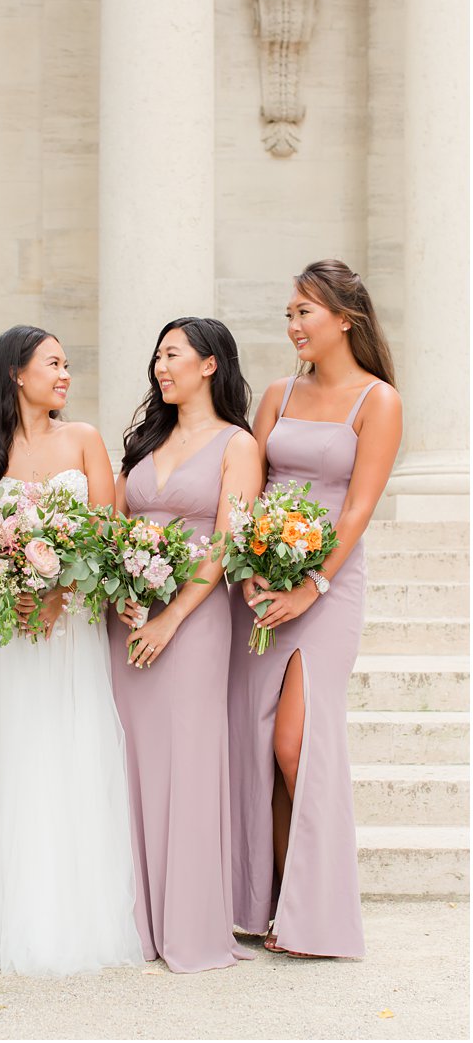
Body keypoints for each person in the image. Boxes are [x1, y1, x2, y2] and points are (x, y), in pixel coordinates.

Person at [0, 324, 144, 975]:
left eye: (66, 363)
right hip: (5, 635)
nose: (64, 374)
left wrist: (60, 590)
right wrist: (7, 584)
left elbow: (108, 532)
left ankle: (71, 916)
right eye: (52, 363)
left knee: (68, 754)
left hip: (71, 628)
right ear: (15, 372)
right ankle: (11, 914)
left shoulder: (84, 439)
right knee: (10, 759)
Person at [228, 260, 401, 959]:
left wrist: (313, 585)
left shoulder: (377, 400)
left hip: (328, 587)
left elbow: (358, 506)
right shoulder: (278, 392)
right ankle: (277, 907)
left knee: (296, 743)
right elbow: (249, 486)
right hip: (264, 583)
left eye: (306, 312)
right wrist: (247, 572)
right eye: (290, 313)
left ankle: (321, 911)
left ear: (345, 318)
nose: (294, 325)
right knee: (261, 744)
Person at [106, 317, 261, 972]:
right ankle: (135, 922)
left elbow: (227, 543)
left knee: (190, 760)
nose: (160, 366)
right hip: (129, 618)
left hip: (194, 623)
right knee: (129, 760)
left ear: (210, 365)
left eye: (173, 354)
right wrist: (120, 590)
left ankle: (191, 927)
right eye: (157, 356)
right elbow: (113, 523)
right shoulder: (146, 441)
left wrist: (172, 620)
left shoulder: (238, 445)